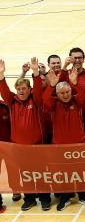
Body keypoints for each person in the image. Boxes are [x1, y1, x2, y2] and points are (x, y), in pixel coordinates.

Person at [0, 57, 51, 211]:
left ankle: (45, 198)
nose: (21, 92)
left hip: (36, 146)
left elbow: (38, 88)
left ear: (29, 90)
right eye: (19, 89)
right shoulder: (12, 102)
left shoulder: (35, 101)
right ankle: (29, 199)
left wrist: (35, 72)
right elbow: (4, 90)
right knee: (26, 174)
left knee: (40, 174)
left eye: (24, 89)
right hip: (20, 148)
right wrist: (1, 75)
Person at [43, 68, 85, 210]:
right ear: (57, 94)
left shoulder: (77, 101)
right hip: (60, 146)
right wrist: (52, 85)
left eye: (67, 92)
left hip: (79, 144)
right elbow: (45, 100)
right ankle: (65, 198)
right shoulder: (53, 104)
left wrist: (74, 83)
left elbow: (83, 95)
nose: (65, 95)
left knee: (82, 172)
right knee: (64, 174)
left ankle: (84, 196)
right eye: (62, 93)